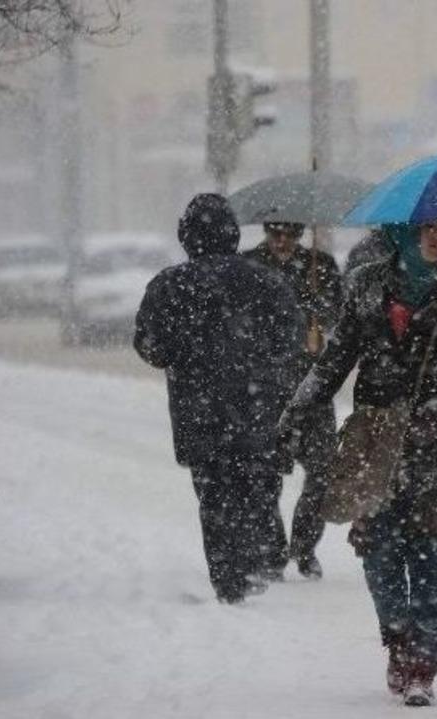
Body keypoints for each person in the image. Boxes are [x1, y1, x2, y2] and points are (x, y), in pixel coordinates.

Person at [279, 221, 437, 707]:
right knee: (380, 548)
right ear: (403, 236)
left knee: (429, 552)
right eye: (427, 229)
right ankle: (399, 640)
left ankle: (424, 661)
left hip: (435, 442)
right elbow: (337, 358)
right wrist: (297, 407)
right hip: (375, 440)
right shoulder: (366, 287)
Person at [134, 193, 301, 604]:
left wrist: (185, 354)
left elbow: (150, 346)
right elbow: (291, 340)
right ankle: (257, 558)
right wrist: (264, 369)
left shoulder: (169, 285)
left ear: (187, 237)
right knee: (256, 489)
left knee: (214, 498)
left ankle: (228, 578)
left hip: (199, 414)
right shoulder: (266, 280)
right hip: (259, 409)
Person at [243, 221, 344, 579]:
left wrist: (319, 313)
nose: (282, 241)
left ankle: (304, 547)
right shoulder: (249, 266)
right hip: (265, 390)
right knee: (265, 475)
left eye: (290, 233)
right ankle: (272, 550)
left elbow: (340, 316)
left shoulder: (322, 266)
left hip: (312, 387)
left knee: (322, 472)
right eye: (275, 233)